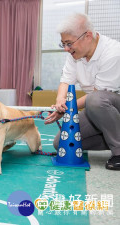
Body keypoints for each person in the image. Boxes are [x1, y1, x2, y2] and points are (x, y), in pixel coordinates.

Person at [45, 13, 120, 170]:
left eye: (69, 43)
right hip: (97, 110)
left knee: (96, 101)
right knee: (62, 144)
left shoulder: (113, 52)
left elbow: (95, 95)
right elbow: (66, 80)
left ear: (88, 36)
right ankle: (113, 136)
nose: (66, 49)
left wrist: (66, 109)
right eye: (63, 44)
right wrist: (60, 101)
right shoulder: (75, 54)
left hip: (109, 105)